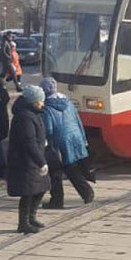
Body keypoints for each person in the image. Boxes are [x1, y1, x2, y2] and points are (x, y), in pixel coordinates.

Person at [39, 77, 94, 209]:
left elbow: (49, 129)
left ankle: (57, 200)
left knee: (55, 172)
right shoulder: (68, 102)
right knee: (71, 167)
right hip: (75, 138)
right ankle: (87, 192)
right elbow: (78, 121)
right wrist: (83, 139)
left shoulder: (47, 108)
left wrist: (45, 144)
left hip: (59, 142)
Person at [7, 85, 50, 234]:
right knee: (28, 192)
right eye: (40, 101)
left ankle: (32, 217)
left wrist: (43, 141)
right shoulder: (25, 116)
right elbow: (28, 141)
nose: (42, 104)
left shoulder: (33, 113)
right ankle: (23, 223)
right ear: (33, 101)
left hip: (33, 158)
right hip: (25, 161)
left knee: (40, 189)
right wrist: (41, 162)